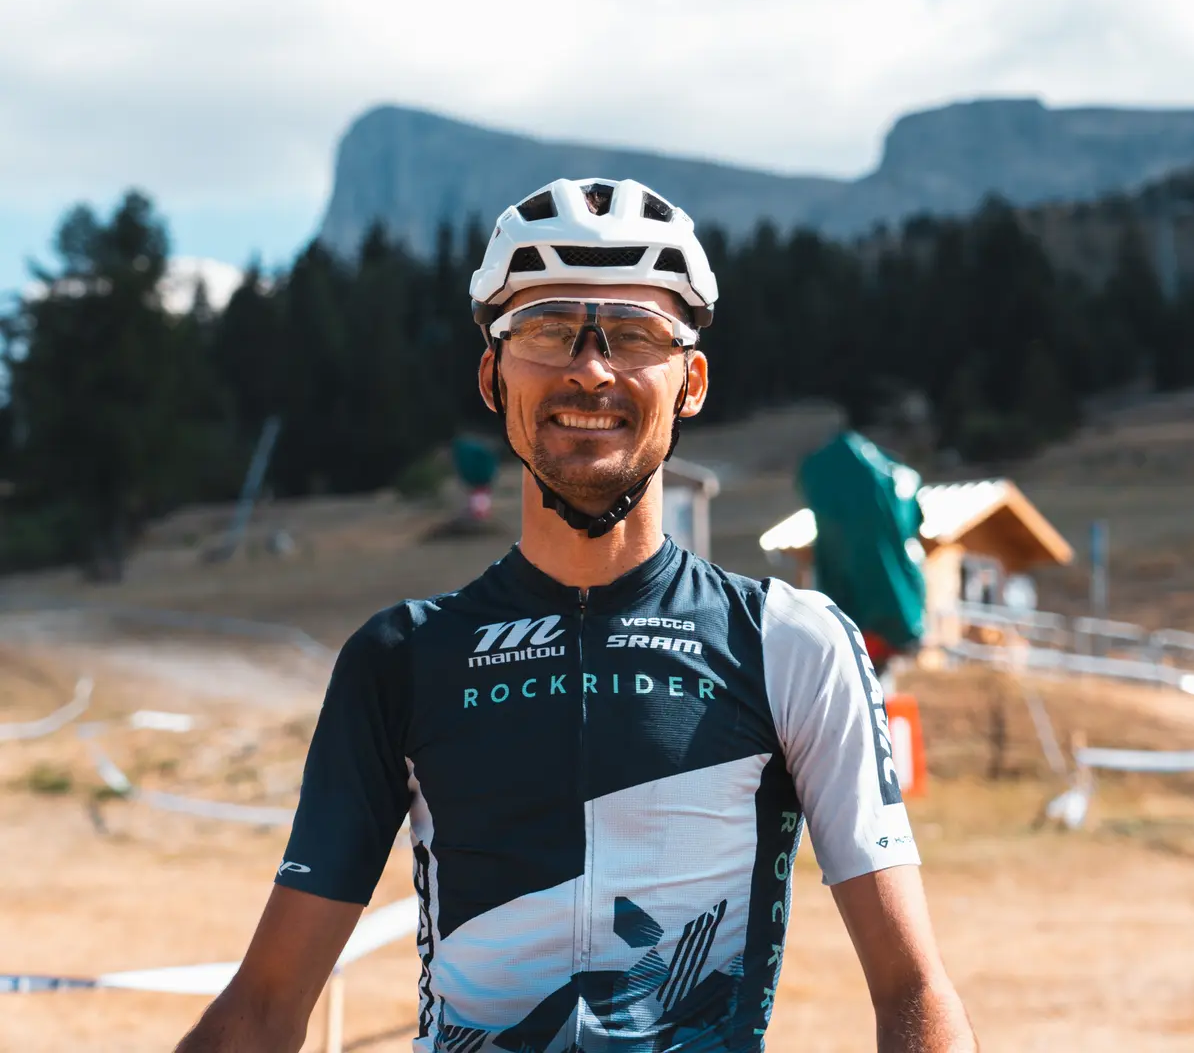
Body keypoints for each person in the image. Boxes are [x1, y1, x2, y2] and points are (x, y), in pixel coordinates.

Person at [175, 178, 976, 1051]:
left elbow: (912, 989)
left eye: (634, 335)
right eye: (548, 330)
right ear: (493, 375)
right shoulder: (400, 659)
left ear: (692, 381)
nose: (590, 368)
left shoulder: (790, 643)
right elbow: (264, 1008)